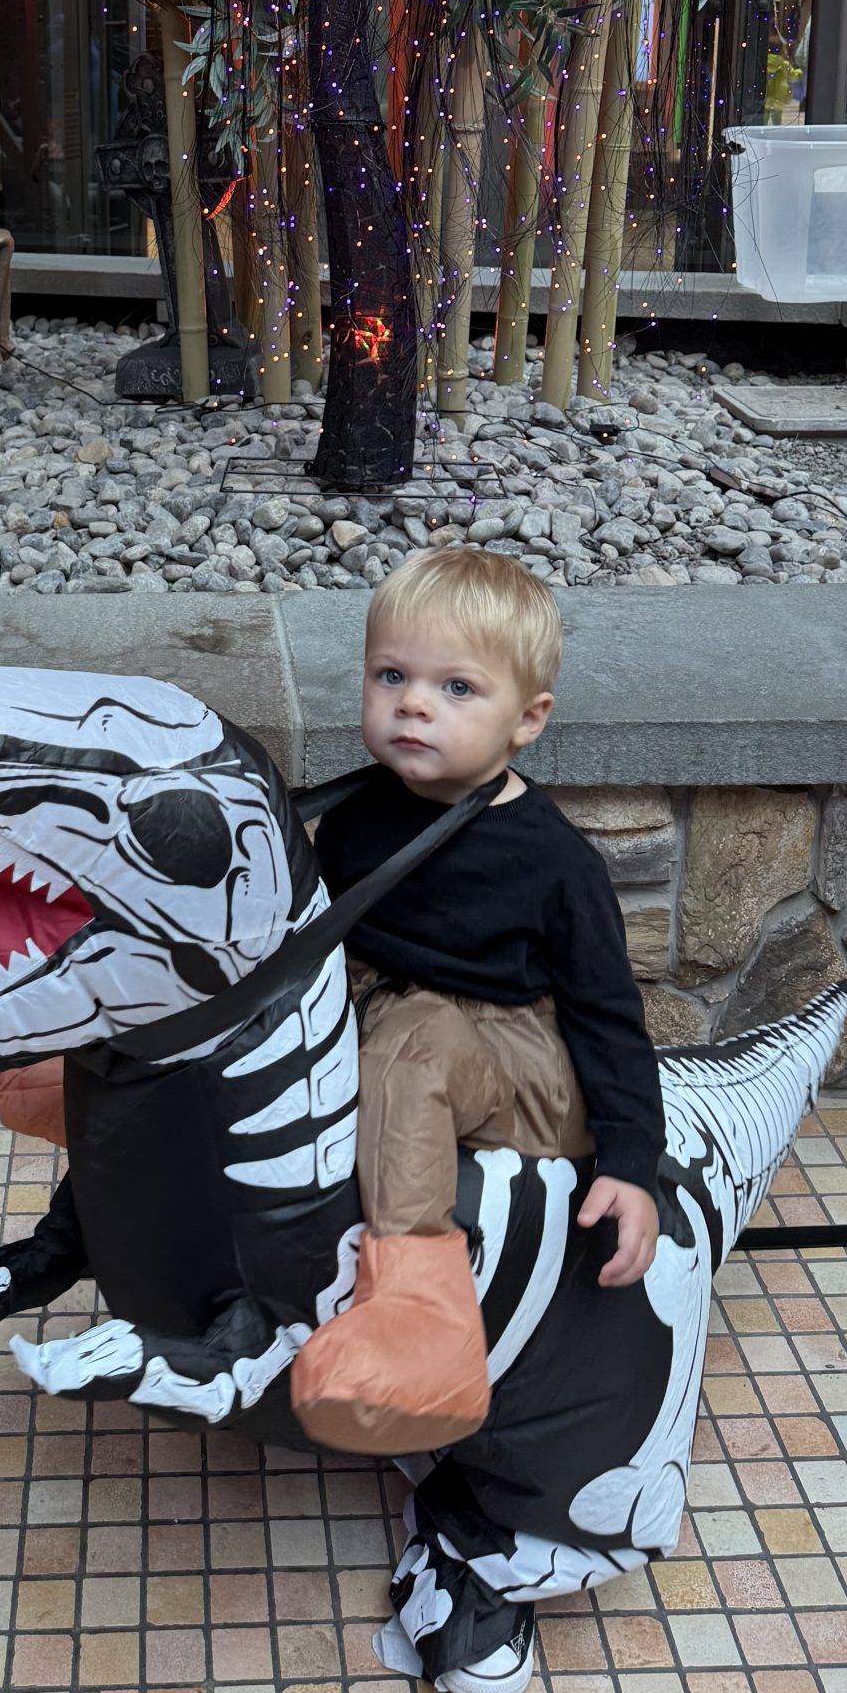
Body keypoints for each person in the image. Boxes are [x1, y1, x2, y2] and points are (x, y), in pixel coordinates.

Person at [290, 545, 665, 1458]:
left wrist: (632, 1164)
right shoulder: (352, 820)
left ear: (527, 719)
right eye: (392, 676)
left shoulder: (554, 862)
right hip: (395, 1013)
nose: (413, 704)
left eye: (457, 688)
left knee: (414, 1042)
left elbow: (609, 1018)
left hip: (522, 1065)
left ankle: (423, 1328)